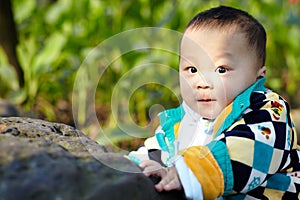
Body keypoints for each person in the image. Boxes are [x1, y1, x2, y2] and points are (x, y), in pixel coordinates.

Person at [128, 5, 300, 199]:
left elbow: (245, 150)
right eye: (192, 70)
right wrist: (137, 164)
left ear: (258, 75)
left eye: (221, 70)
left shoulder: (268, 111)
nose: (203, 83)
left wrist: (187, 173)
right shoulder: (183, 120)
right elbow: (160, 149)